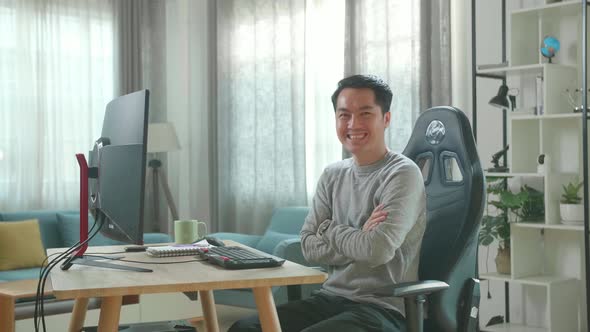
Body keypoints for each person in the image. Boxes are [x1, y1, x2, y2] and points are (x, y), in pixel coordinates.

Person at [229, 74, 426, 332]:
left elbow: (378, 251)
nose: (353, 124)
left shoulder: (402, 174)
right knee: (244, 328)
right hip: (329, 298)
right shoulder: (332, 175)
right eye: (344, 115)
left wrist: (329, 229)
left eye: (365, 113)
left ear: (385, 119)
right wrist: (359, 237)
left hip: (381, 308)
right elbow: (309, 247)